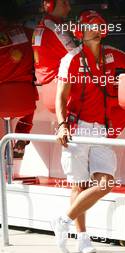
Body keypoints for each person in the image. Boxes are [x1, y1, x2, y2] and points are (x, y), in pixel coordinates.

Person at [54, 10, 125, 253]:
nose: (97, 29)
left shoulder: (111, 55)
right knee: (79, 185)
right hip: (76, 129)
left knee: (105, 183)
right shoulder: (71, 59)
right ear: (81, 32)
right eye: (91, 26)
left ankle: (62, 221)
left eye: (99, 25)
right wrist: (62, 124)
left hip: (101, 130)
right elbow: (60, 97)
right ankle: (83, 237)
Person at [0, 0, 38, 158]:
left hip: (2, 101)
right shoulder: (28, 33)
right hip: (25, 101)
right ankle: (22, 136)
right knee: (29, 99)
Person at [32, 0, 76, 113]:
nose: (69, 8)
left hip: (49, 89)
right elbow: (80, 58)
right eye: (65, 3)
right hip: (63, 91)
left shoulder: (41, 26)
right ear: (50, 5)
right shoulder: (55, 28)